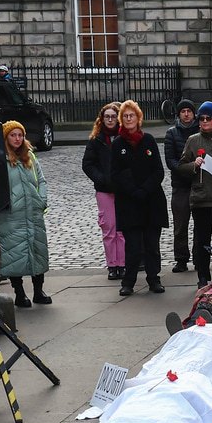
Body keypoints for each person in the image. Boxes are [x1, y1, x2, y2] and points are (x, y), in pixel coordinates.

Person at [173, 102, 212, 283]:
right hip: (201, 198)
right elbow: (181, 166)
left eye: (208, 118)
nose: (204, 122)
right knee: (202, 238)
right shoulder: (193, 140)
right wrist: (194, 165)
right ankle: (203, 275)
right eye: (201, 118)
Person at [112, 100, 166, 297]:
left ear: (138, 118)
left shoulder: (149, 140)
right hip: (129, 203)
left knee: (152, 245)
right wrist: (133, 190)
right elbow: (116, 173)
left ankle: (154, 279)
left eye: (131, 116)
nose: (128, 119)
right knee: (133, 246)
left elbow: (158, 171)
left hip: (151, 201)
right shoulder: (118, 144)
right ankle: (129, 281)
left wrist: (145, 189)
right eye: (125, 116)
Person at [0, 121, 50, 308]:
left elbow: (41, 180)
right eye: (13, 135)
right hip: (12, 215)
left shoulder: (30, 156)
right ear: (6, 137)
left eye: (20, 135)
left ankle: (38, 291)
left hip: (33, 212)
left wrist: (41, 199)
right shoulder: (0, 159)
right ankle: (19, 292)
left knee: (38, 251)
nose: (17, 139)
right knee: (14, 254)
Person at [81, 103, 126, 281]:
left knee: (122, 230)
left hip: (122, 190)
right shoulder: (96, 139)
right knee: (109, 229)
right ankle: (112, 264)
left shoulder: (124, 138)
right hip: (104, 191)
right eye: (107, 116)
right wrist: (100, 179)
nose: (110, 119)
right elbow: (87, 164)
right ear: (102, 119)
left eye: (113, 116)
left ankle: (122, 264)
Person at [164, 100, 199, 274]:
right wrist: (185, 168)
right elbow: (170, 160)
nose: (186, 114)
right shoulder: (171, 133)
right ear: (178, 115)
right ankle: (181, 259)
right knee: (180, 226)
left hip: (199, 184)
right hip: (180, 185)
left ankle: (199, 258)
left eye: (189, 111)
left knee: (200, 226)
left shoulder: (201, 131)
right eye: (183, 111)